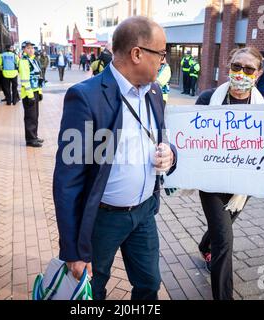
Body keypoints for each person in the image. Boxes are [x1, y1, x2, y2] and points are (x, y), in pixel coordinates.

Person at [53, 16, 178, 300]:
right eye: (161, 54)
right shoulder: (86, 97)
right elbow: (67, 180)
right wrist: (73, 249)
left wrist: (170, 155)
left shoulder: (155, 91)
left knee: (149, 285)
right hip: (103, 220)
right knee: (92, 289)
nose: (163, 61)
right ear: (137, 54)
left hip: (145, 212)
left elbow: (161, 140)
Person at [194, 47, 264, 300]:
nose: (241, 73)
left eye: (248, 69)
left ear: (258, 74)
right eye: (237, 67)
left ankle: (205, 246)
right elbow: (191, 142)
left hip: (242, 185)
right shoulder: (207, 99)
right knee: (224, 240)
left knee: (224, 225)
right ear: (229, 67)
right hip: (211, 181)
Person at [19, 41, 44, 148]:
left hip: (35, 91)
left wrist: (40, 92)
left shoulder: (33, 60)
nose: (31, 50)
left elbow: (38, 77)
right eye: (28, 48)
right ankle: (30, 139)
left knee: (35, 116)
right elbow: (25, 80)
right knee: (30, 117)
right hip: (29, 93)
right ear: (24, 49)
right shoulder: (24, 61)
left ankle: (34, 136)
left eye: (32, 48)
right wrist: (30, 95)